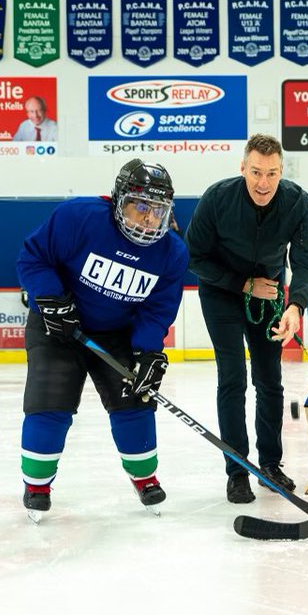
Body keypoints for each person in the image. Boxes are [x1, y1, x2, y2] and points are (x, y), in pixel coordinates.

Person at [16, 159, 187, 520]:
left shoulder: (172, 252)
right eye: (140, 207)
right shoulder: (79, 217)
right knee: (50, 402)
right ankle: (37, 484)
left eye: (157, 210)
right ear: (118, 199)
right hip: (59, 326)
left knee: (135, 403)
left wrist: (148, 351)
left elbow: (157, 310)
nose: (148, 219)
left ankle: (145, 477)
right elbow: (33, 258)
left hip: (118, 334)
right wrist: (49, 298)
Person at [185, 134, 308, 504]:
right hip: (221, 292)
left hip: (269, 295)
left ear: (281, 171)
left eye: (272, 174)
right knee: (233, 378)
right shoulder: (217, 198)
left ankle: (270, 465)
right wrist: (243, 284)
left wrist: (296, 307)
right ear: (242, 168)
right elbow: (194, 257)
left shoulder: (297, 201)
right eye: (256, 172)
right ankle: (237, 470)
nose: (263, 183)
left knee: (270, 381)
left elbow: (305, 262)